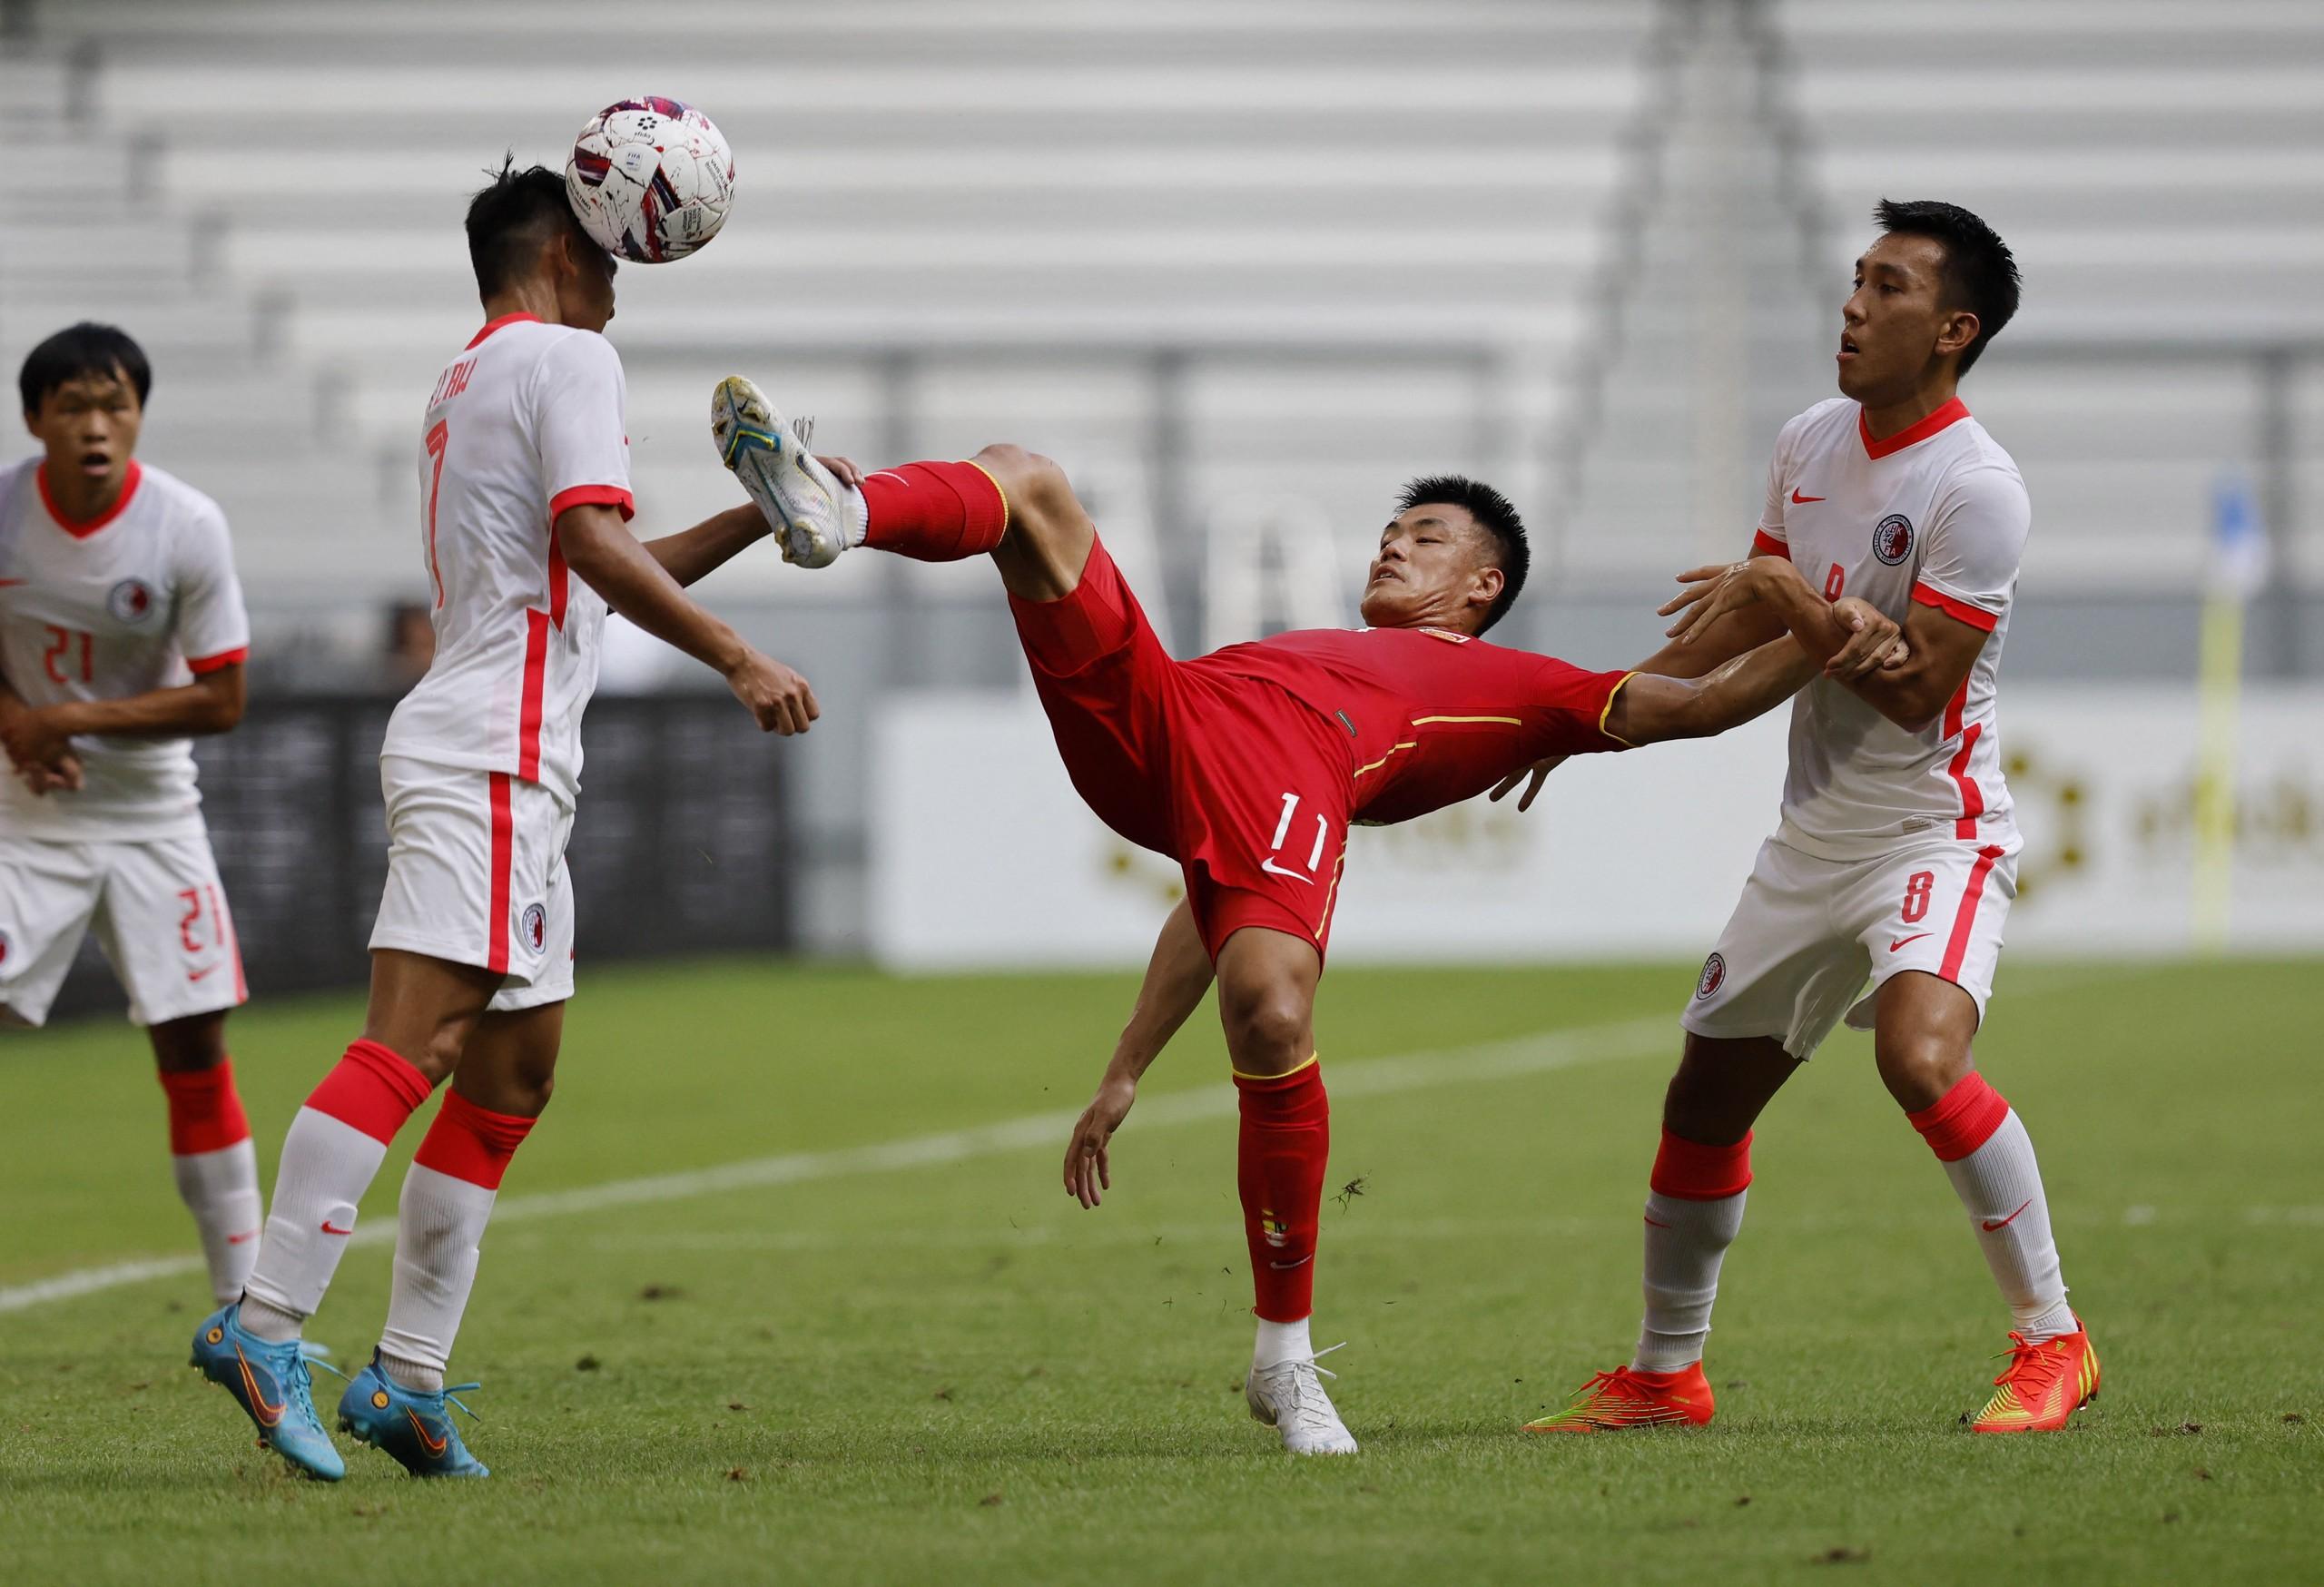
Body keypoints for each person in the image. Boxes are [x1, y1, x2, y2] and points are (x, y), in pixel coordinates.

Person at [707, 371, 1907, 1454]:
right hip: (1165, 717)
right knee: (1025, 481)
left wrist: (1816, 621)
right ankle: (838, 516)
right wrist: (1126, 1063)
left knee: (1272, 1012)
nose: (1392, 546)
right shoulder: (1320, 643)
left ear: (1480, 587)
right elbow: (1208, 868)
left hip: (1283, 766)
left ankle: (1284, 1362)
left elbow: (1697, 703)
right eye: (1390, 531)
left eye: (1425, 538)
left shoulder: (1529, 686)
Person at [192, 160, 825, 1482]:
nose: (621, 279)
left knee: (511, 1073)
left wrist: (764, 515)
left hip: (516, 768)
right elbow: (596, 548)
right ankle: (262, 1326)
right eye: (607, 253)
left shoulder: (480, 369)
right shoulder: (566, 361)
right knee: (413, 1048)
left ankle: (407, 1380)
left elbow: (594, 565)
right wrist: (740, 661)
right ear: (555, 249)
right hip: (488, 756)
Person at [1513, 200, 2095, 1436]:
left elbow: (1921, 690)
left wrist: (1800, 601)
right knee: (1701, 1107)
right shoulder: (1811, 441)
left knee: (1919, 1056)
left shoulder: (1978, 487)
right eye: (1854, 279)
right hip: (1811, 838)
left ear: (1951, 330)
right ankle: (1668, 1377)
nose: (1852, 304)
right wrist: (1589, 709)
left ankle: (2054, 1341)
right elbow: (1740, 618)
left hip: (1934, 830)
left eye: (1886, 288)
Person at [0, 322, 259, 1312]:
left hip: (155, 820)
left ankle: (247, 1313)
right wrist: (18, 724)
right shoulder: (2, 513)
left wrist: (66, 717)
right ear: (37, 419)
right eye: (74, 408)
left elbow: (224, 698)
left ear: (139, 415)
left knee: (194, 1049)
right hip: (24, 817)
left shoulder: (187, 524)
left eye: (115, 406)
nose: (97, 428)